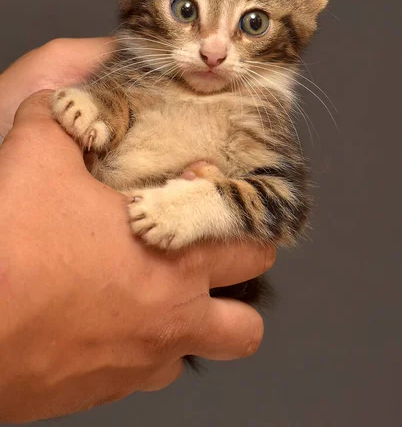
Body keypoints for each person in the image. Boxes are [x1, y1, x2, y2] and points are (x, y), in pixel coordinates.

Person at [0, 38, 276, 423]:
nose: (213, 50)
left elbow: (282, 203)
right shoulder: (139, 75)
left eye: (253, 24)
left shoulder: (260, 111)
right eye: (184, 9)